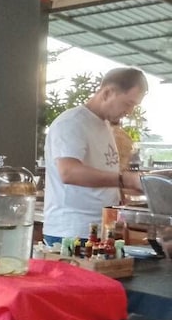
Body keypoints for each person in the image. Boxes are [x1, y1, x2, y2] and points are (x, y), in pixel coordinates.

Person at [43, 67, 147, 241]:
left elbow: (103, 171)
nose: (129, 112)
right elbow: (69, 172)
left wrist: (121, 195)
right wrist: (125, 180)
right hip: (71, 232)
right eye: (128, 103)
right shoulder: (71, 123)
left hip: (100, 228)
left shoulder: (104, 124)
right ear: (107, 93)